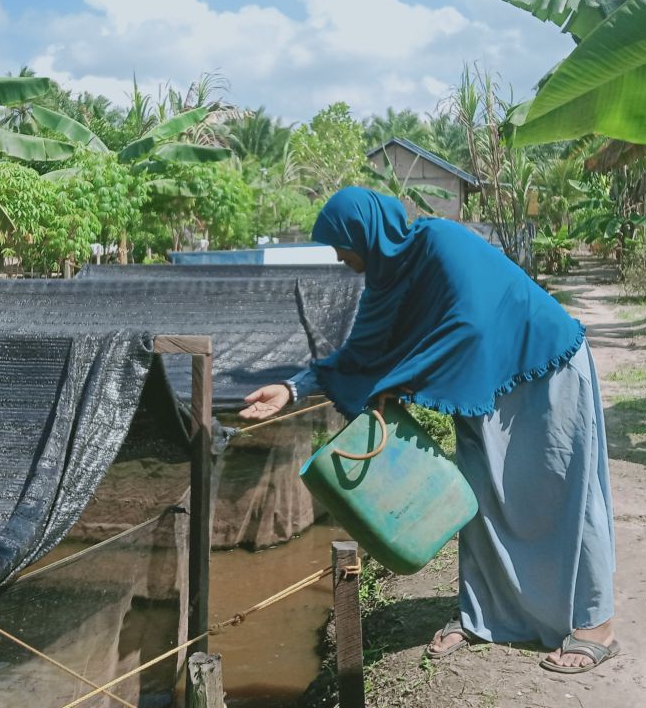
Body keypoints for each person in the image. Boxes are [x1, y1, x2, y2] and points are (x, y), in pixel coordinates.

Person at [240, 186, 618, 674]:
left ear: (365, 233)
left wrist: (397, 382)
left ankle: (596, 624)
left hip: (542, 368)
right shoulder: (384, 282)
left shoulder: (440, 241)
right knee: (481, 500)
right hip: (479, 388)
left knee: (565, 493)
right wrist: (292, 389)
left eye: (341, 246)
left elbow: (470, 324)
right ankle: (490, 618)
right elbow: (360, 355)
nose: (341, 258)